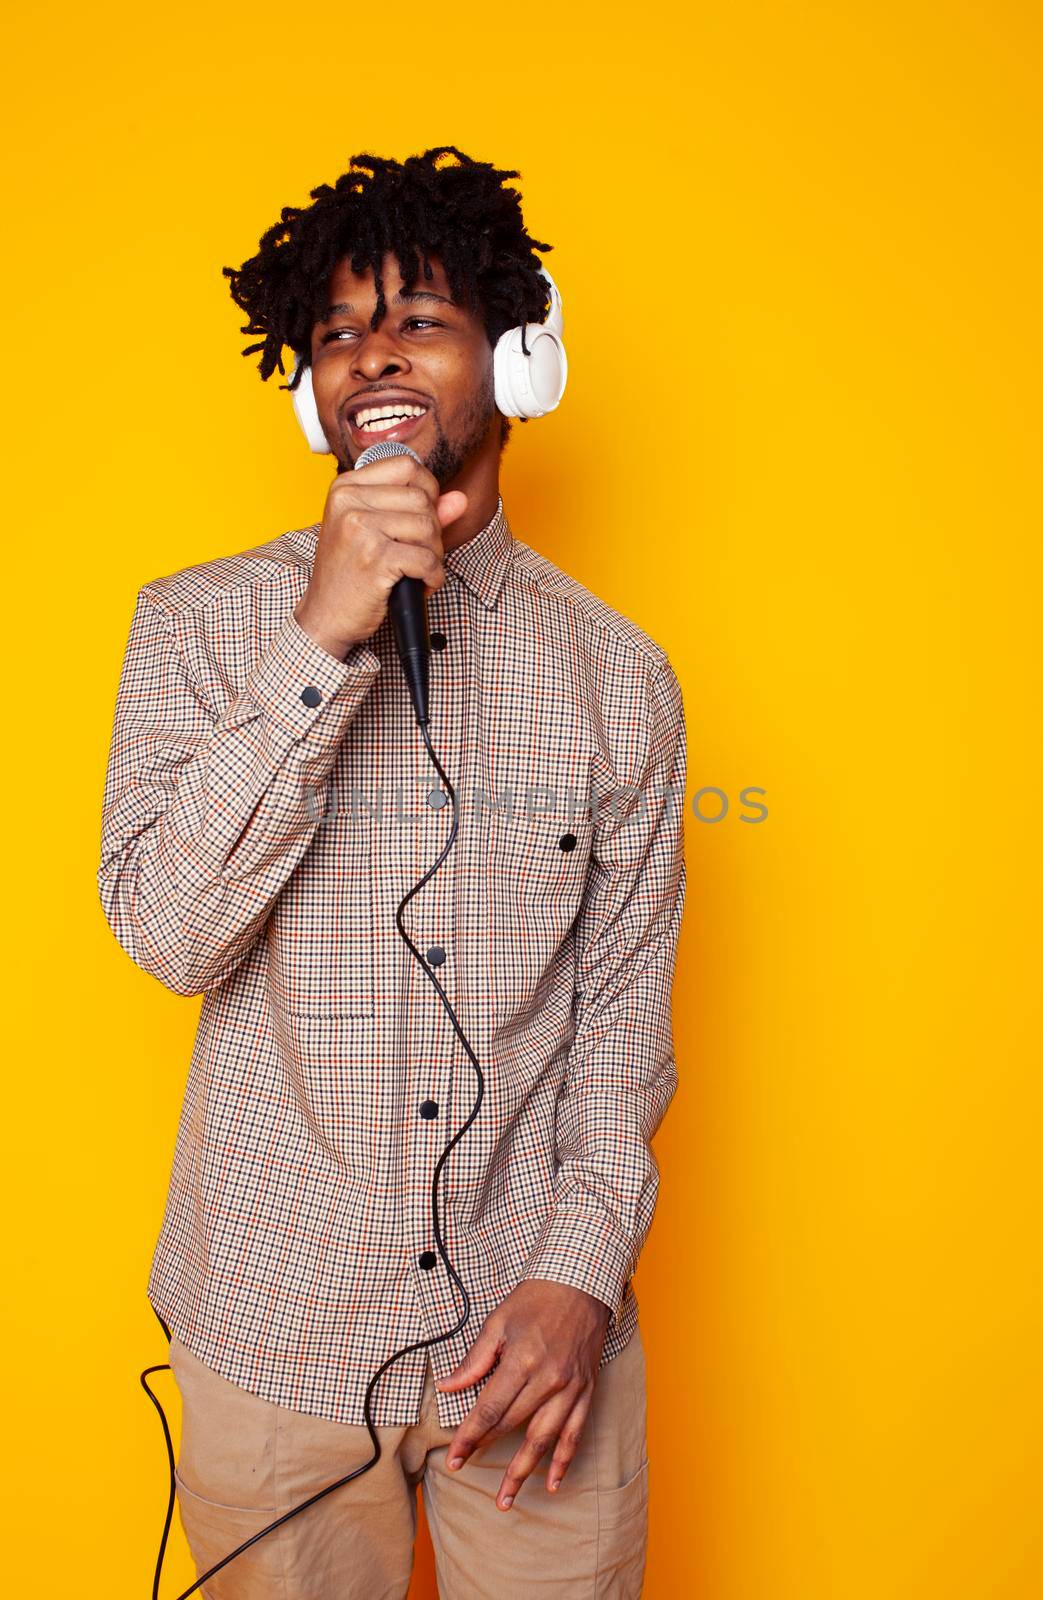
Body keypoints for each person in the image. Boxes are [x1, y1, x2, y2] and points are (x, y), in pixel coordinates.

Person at [96, 146, 687, 1599]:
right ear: (308, 390)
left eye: (416, 318)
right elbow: (169, 932)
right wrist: (321, 640)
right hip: (273, 1343)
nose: (372, 357)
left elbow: (622, 1020)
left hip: (535, 1344)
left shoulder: (620, 679)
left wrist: (577, 1275)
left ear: (520, 359)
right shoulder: (194, 631)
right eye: (338, 334)